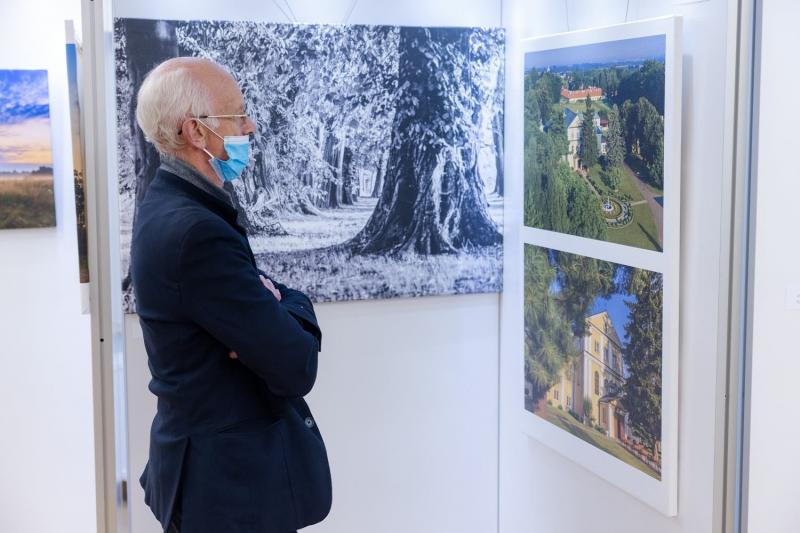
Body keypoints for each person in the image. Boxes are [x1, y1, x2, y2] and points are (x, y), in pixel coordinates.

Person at [130, 57, 332, 533]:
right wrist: (289, 305)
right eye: (237, 114)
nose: (250, 126)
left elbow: (265, 322)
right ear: (196, 131)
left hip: (207, 475)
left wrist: (274, 304)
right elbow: (295, 364)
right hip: (229, 493)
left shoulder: (169, 203)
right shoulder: (196, 232)